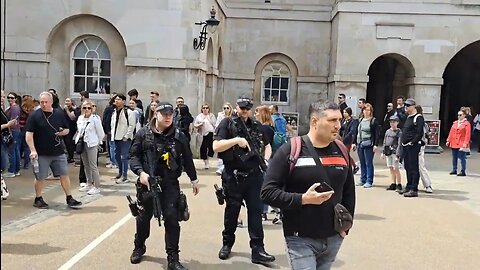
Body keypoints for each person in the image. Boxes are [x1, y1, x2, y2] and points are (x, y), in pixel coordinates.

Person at [261, 101, 355, 270]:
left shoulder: (341, 150)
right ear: (314, 121)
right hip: (300, 238)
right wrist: (302, 199)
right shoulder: (290, 150)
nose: (338, 126)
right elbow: (267, 193)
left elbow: (349, 191)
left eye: (339, 120)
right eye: (332, 120)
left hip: (334, 237)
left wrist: (346, 227)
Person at [129, 102, 200, 270]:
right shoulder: (143, 134)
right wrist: (141, 173)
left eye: (170, 114)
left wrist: (194, 180)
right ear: (156, 114)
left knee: (172, 219)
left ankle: (173, 258)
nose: (168, 117)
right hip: (148, 184)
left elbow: (188, 159)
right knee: (143, 218)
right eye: (164, 114)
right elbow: (133, 157)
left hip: (169, 184)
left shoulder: (179, 136)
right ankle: (139, 246)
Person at [213, 97, 275, 264]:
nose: (245, 111)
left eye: (248, 108)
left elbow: (268, 145)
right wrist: (236, 141)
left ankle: (258, 250)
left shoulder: (256, 126)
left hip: (254, 176)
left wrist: (266, 159)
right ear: (237, 107)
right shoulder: (227, 124)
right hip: (234, 175)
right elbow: (216, 146)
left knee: (256, 212)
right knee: (232, 212)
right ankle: (227, 244)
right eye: (242, 108)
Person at [25, 91, 82, 209]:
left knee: (64, 174)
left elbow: (67, 129)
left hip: (58, 151)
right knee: (40, 177)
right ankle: (38, 198)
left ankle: (69, 197)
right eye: (42, 102)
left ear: (51, 102)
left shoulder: (59, 114)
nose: (44, 104)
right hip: (41, 152)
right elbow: (29, 134)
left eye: (46, 102)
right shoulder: (34, 116)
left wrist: (63, 132)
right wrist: (33, 150)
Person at [75, 100, 105, 195]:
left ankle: (97, 186)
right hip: (83, 143)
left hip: (92, 143)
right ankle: (89, 183)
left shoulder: (95, 119)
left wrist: (98, 142)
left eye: (89, 108)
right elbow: (79, 131)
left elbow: (100, 132)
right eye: (84, 108)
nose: (87, 110)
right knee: (85, 165)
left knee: (93, 166)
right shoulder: (80, 118)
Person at [399, 98, 424, 197]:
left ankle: (414, 188)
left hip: (413, 145)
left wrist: (412, 142)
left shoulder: (418, 117)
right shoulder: (408, 117)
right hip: (406, 145)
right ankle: (409, 186)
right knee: (408, 166)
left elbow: (419, 133)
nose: (406, 107)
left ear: (413, 106)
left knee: (414, 167)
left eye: (408, 106)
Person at [110, 94, 136, 183]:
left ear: (124, 101)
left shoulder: (129, 112)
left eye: (119, 99)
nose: (116, 101)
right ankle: (120, 173)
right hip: (116, 137)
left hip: (125, 138)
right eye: (115, 99)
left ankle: (125, 176)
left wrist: (127, 136)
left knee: (123, 157)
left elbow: (132, 125)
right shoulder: (114, 111)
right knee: (117, 156)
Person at [352, 103, 379, 188]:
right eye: (365, 110)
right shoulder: (360, 120)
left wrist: (375, 144)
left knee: (368, 163)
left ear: (371, 111)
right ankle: (362, 179)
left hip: (368, 144)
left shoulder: (373, 121)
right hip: (360, 143)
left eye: (368, 110)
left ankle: (369, 180)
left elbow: (376, 133)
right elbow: (356, 132)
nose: (366, 112)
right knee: (362, 162)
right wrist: (354, 143)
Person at [446, 110, 471, 176]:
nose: (459, 116)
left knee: (462, 157)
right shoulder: (455, 123)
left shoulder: (467, 124)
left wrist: (466, 142)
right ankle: (454, 169)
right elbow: (451, 132)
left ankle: (463, 170)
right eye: (458, 115)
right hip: (454, 141)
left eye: (460, 115)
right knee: (454, 157)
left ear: (464, 115)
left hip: (461, 142)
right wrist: (448, 140)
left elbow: (467, 134)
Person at [382, 115, 402, 192]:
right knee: (390, 167)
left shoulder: (399, 132)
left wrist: (398, 154)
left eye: (394, 122)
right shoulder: (387, 131)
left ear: (397, 122)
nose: (392, 123)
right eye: (391, 122)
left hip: (394, 152)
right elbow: (385, 141)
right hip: (388, 152)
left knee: (396, 168)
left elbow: (400, 144)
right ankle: (393, 183)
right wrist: (383, 152)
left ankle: (399, 184)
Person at [194, 103, 216, 169]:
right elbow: (195, 125)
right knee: (203, 148)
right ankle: (206, 161)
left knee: (210, 148)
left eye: (206, 108)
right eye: (204, 108)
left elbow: (215, 124)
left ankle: (208, 159)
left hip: (210, 132)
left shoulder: (211, 116)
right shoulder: (199, 116)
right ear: (202, 109)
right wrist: (200, 124)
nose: (205, 109)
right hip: (202, 134)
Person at [1, 90, 18, 178]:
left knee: (13, 151)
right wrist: (7, 124)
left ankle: (13, 170)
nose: (4, 99)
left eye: (4, 97)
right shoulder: (8, 108)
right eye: (8, 97)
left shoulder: (14, 108)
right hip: (6, 133)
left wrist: (9, 124)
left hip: (9, 133)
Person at [215, 102, 234, 175]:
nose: (226, 109)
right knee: (221, 150)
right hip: (222, 134)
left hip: (230, 135)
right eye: (224, 108)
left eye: (227, 108)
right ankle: (220, 167)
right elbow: (217, 124)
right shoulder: (220, 115)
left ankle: (225, 166)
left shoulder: (233, 116)